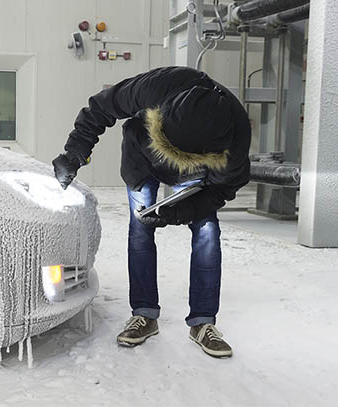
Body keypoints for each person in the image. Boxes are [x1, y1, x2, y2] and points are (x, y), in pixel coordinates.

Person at [52, 66, 250, 358]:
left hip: (198, 179)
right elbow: (101, 106)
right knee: (141, 228)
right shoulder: (158, 86)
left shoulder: (234, 141)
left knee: (207, 231)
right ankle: (144, 314)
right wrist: (74, 153)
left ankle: (203, 323)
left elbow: (219, 192)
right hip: (141, 159)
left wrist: (179, 212)